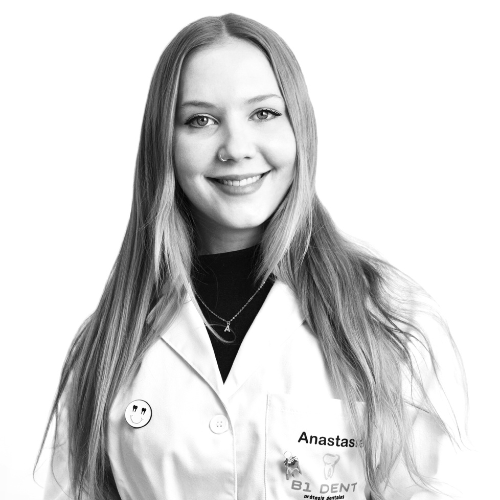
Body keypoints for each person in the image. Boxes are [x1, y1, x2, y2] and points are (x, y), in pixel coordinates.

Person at [35, 13, 467, 500]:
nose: (236, 148)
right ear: (164, 144)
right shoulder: (109, 342)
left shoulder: (390, 319)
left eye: (263, 113)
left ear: (300, 128)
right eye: (201, 120)